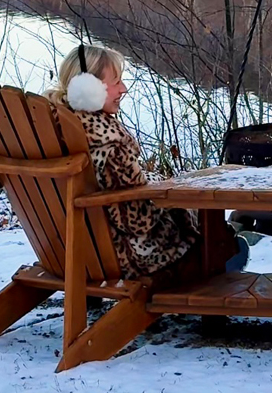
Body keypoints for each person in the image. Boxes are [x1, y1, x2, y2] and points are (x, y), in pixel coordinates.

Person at [47, 43, 248, 283]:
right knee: (232, 247)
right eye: (116, 82)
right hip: (135, 261)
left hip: (74, 253)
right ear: (87, 89)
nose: (124, 89)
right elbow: (139, 222)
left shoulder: (54, 133)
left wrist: (147, 182)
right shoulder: (110, 149)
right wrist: (177, 205)